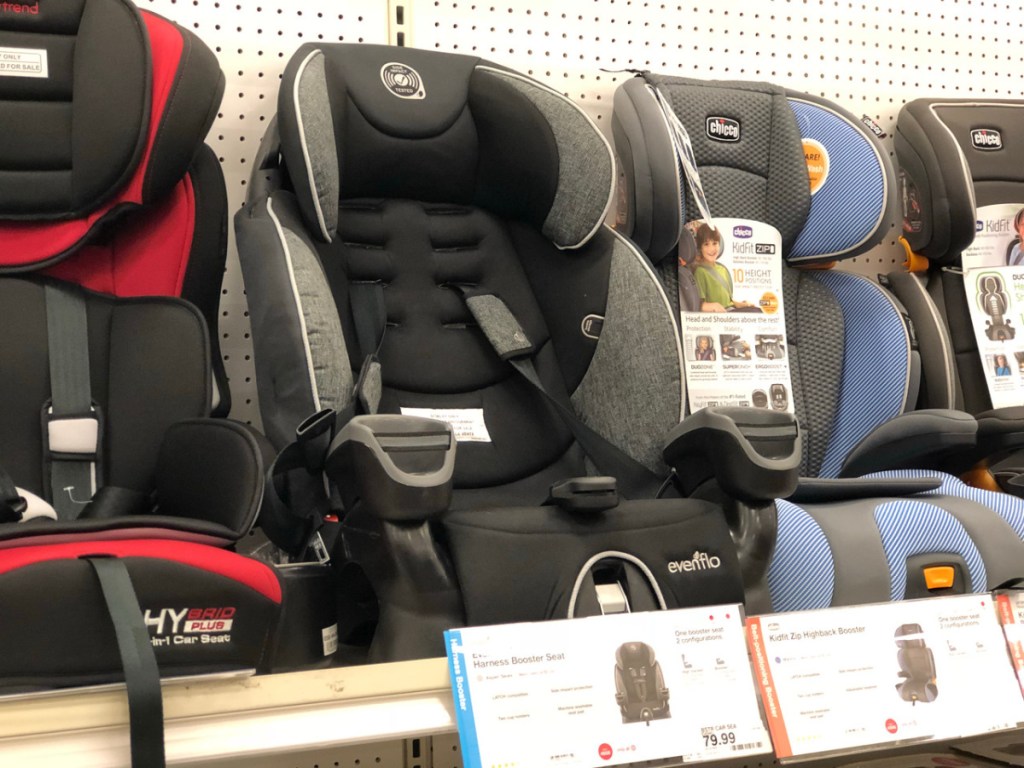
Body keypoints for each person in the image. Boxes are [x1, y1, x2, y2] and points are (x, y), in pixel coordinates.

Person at [690, 223, 760, 312]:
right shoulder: (700, 272)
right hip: (717, 317)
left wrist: (743, 305)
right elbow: (698, 305)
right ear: (700, 248)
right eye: (706, 244)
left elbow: (728, 302)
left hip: (729, 311)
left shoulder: (723, 269)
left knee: (757, 310)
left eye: (715, 243)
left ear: (720, 245)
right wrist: (713, 306)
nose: (711, 249)